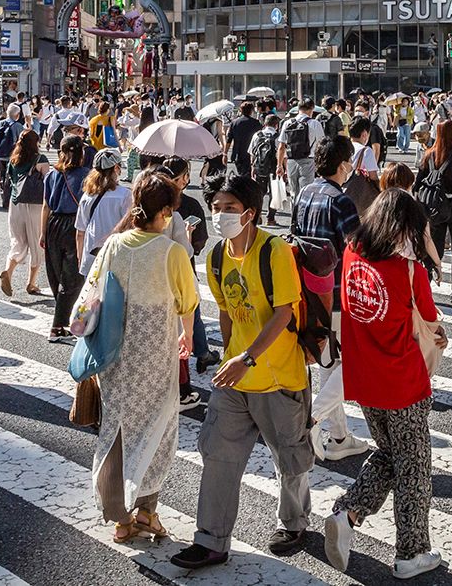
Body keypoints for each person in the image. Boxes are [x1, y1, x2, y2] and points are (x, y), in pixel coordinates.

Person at [171, 176, 316, 570]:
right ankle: (211, 540)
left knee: (289, 458)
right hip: (235, 377)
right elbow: (224, 310)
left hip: (279, 377)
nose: (220, 215)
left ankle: (294, 522)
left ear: (250, 213)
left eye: (229, 209)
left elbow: (285, 311)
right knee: (217, 453)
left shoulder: (275, 252)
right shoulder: (216, 255)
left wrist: (247, 357)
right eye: (216, 207)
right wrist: (229, 355)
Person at [322, 189, 446, 579]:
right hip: (403, 380)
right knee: (414, 468)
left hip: (365, 377)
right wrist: (438, 335)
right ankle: (411, 552)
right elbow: (429, 318)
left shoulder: (352, 255)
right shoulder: (408, 269)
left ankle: (348, 511)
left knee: (392, 455)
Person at [86, 173, 197, 543]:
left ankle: (121, 518)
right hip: (155, 355)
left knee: (118, 429)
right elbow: (187, 303)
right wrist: (189, 336)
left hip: (115, 355)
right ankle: (149, 511)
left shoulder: (114, 245)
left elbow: (93, 291)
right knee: (157, 430)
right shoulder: (172, 252)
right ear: (165, 211)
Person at [293, 135, 369, 461]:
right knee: (353, 364)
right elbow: (358, 249)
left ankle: (339, 438)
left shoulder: (304, 193)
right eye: (349, 161)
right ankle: (315, 418)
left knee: (328, 360)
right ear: (342, 164)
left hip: (308, 291)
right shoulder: (341, 201)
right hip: (338, 293)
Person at [415, 119, 452, 303]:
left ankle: (427, 287)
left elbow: (418, 183)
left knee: (434, 248)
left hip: (433, 206)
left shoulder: (429, 154)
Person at [40, 135, 91, 342]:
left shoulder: (52, 174)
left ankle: (63, 317)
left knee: (56, 273)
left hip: (53, 224)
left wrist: (42, 233)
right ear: (81, 152)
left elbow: (46, 206)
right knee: (74, 276)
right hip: (74, 224)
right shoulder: (86, 175)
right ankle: (58, 326)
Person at [1, 128, 48, 297]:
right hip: (34, 206)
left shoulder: (13, 160)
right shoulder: (40, 159)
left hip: (16, 205)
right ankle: (31, 283)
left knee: (18, 242)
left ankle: (8, 270)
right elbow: (47, 182)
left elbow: (8, 181)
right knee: (36, 244)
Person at [78, 149, 131, 278]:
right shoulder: (125, 195)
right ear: (116, 168)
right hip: (117, 255)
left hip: (91, 255)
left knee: (91, 296)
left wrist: (80, 259)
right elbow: (129, 228)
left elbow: (80, 232)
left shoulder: (87, 195)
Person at [277, 98, 325, 210]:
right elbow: (321, 145)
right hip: (308, 161)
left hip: (291, 161)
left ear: (298, 109)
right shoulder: (314, 124)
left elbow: (281, 147)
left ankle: (293, 220)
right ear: (311, 109)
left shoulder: (287, 123)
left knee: (294, 192)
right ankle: (303, 219)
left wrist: (279, 165)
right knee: (306, 192)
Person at [0, 104, 25, 211]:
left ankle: (4, 198)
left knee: (2, 176)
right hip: (13, 155)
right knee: (13, 177)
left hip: (0, 155)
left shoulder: (0, 123)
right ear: (17, 115)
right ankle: (11, 199)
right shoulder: (18, 126)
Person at [249, 113, 282, 225]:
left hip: (259, 168)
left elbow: (252, 153)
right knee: (274, 193)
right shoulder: (278, 136)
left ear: (264, 123)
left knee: (259, 193)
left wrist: (253, 166)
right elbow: (282, 153)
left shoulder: (257, 135)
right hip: (273, 168)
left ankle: (257, 217)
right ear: (276, 125)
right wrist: (282, 167)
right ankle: (270, 219)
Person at [227, 101, 263, 179]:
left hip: (238, 153)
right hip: (252, 153)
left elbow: (229, 139)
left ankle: (242, 189)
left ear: (241, 110)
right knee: (250, 175)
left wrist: (225, 153)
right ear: (251, 111)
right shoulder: (256, 123)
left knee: (240, 174)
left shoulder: (234, 123)